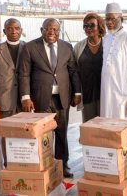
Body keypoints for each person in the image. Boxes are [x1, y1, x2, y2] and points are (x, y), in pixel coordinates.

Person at [18, 18, 81, 178]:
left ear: (59, 31)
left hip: (62, 97)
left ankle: (62, 165)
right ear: (42, 30)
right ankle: (44, 164)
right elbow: (24, 74)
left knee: (62, 132)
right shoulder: (30, 47)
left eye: (55, 30)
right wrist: (25, 97)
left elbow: (73, 71)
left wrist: (77, 93)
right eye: (48, 29)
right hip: (40, 97)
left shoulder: (67, 47)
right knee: (44, 133)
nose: (52, 32)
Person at [100, 2, 127, 167]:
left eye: (112, 19)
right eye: (107, 19)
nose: (109, 22)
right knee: (107, 130)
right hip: (106, 96)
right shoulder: (106, 38)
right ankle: (111, 166)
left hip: (123, 97)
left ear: (121, 18)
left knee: (126, 132)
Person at [0, 18, 25, 167]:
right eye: (10, 29)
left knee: (24, 132)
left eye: (17, 28)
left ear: (21, 30)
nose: (14, 31)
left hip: (23, 99)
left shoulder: (29, 48)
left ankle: (23, 162)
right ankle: (8, 164)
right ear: (4, 31)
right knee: (6, 133)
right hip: (5, 99)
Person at [73, 13, 106, 123]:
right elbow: (74, 72)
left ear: (99, 26)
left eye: (92, 25)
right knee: (90, 130)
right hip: (87, 95)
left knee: (106, 129)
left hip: (106, 94)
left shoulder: (108, 44)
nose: (88, 28)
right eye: (85, 26)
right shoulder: (78, 47)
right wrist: (77, 92)